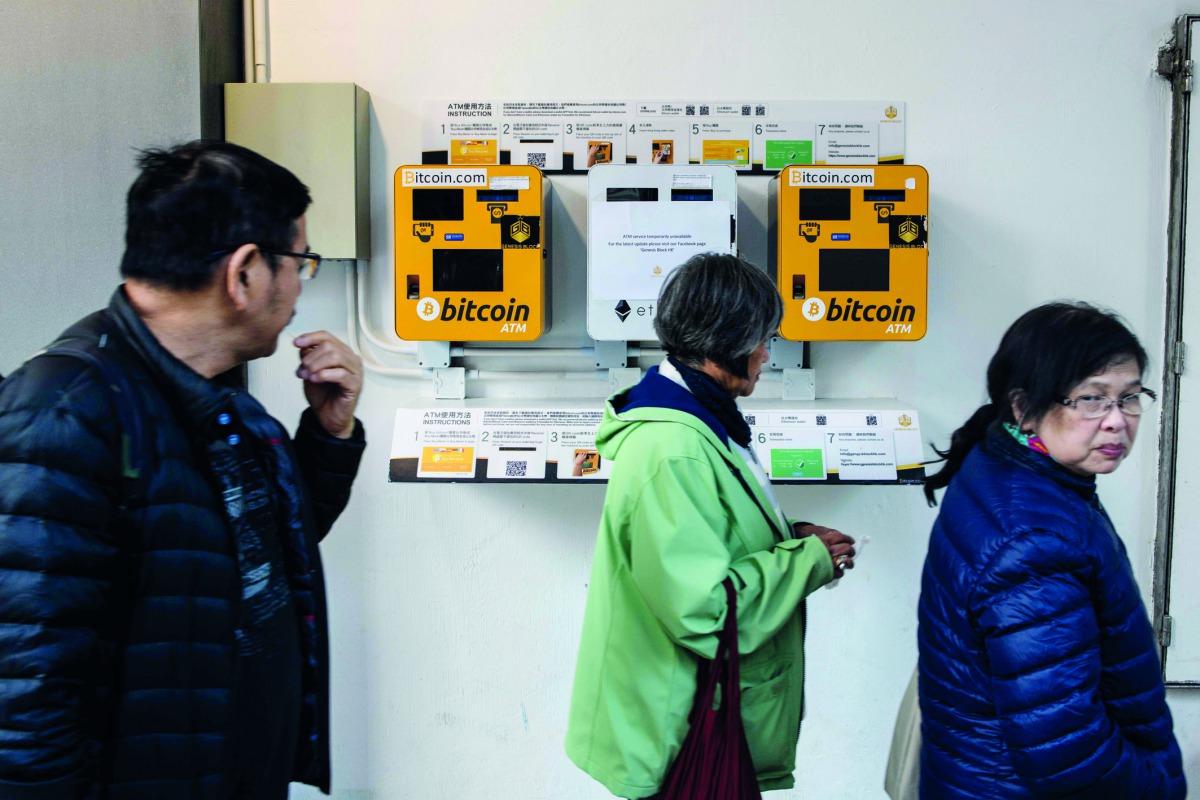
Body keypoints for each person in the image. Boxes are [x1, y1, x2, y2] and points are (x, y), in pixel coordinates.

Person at [0, 140, 366, 799]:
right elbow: (25, 692)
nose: (297, 288)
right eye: (300, 264)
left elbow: (258, 556)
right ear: (245, 273)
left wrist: (328, 434)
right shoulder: (66, 412)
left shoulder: (218, 401)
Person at [565, 252, 857, 798]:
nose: (767, 353)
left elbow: (715, 538)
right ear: (725, 341)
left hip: (697, 717)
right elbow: (704, 610)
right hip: (679, 734)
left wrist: (791, 538)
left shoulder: (704, 421)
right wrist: (806, 562)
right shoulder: (672, 447)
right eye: (762, 338)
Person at [918, 301, 1185, 798]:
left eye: (1129, 397)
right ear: (1023, 407)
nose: (1116, 421)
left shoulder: (1013, 466)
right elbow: (1066, 752)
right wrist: (1159, 786)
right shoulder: (1033, 544)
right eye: (1091, 398)